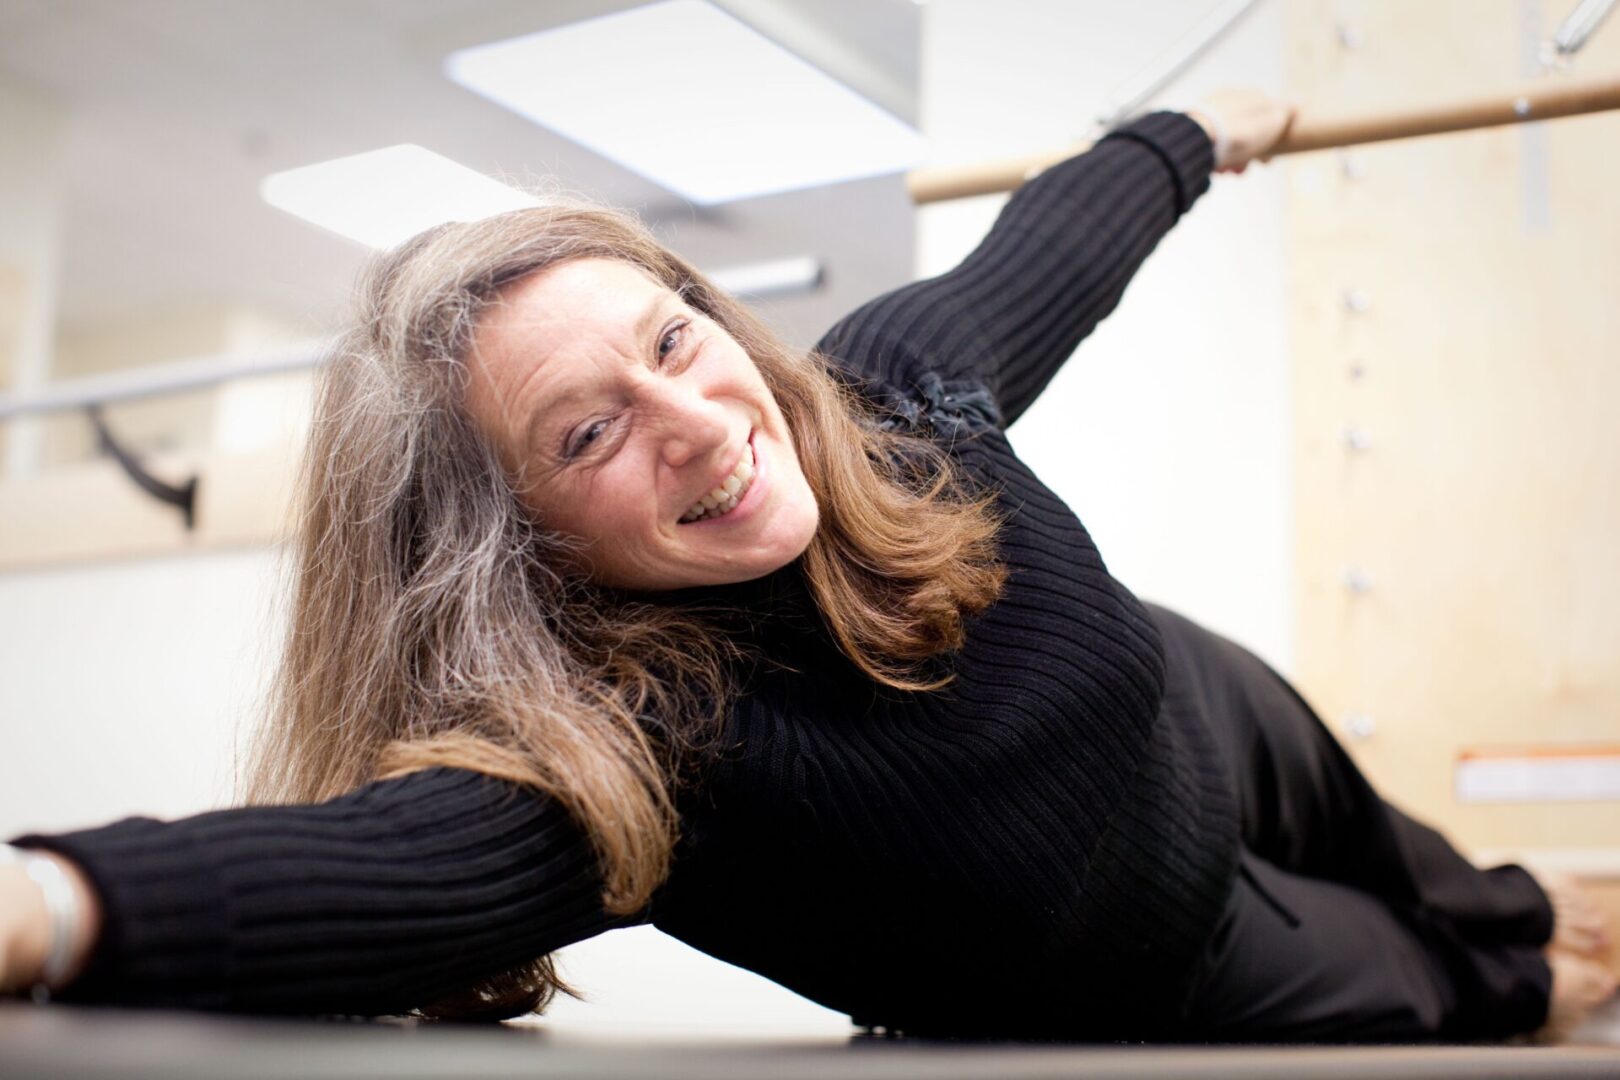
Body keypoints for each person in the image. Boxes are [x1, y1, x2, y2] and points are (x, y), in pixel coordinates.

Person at [1, 88, 1613, 1042]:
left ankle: (1522, 909)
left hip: (1199, 705)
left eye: (674, 338)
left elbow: (1054, 244)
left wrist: (1193, 134)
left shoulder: (893, 397)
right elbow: (355, 870)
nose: (699, 422)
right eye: (587, 434)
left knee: (1451, 874)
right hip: (1176, 958)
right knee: (1492, 981)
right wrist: (51, 905)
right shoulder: (630, 762)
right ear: (520, 554)